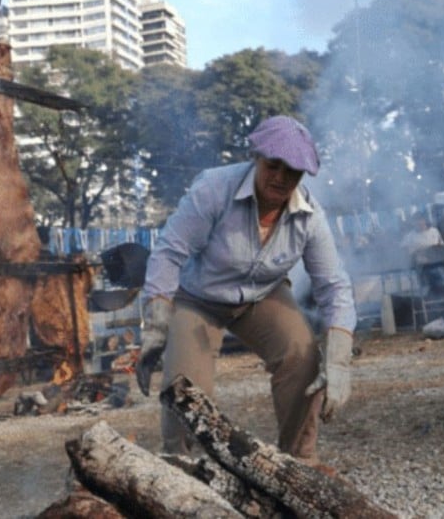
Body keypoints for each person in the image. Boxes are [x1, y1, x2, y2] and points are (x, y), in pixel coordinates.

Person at [136, 115, 357, 462]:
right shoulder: (213, 189)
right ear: (256, 156)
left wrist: (340, 360)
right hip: (198, 298)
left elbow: (334, 286)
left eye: (293, 171)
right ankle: (180, 465)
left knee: (303, 357)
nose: (281, 178)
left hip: (262, 295)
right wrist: (157, 321)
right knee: (187, 387)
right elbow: (168, 251)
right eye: (273, 165)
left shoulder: (310, 216)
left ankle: (300, 462)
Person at [400, 211, 444, 298]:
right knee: (426, 285)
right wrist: (413, 251)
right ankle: (430, 299)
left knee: (441, 281)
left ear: (425, 221)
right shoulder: (410, 236)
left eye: (420, 220)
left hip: (437, 264)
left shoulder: (434, 231)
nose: (419, 223)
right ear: (413, 223)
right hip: (422, 267)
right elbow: (403, 249)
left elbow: (442, 246)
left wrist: (438, 247)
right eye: (416, 221)